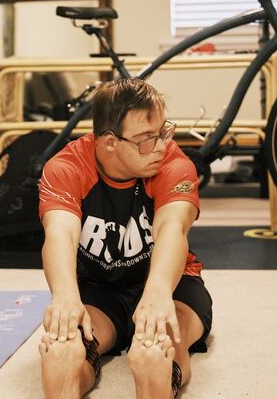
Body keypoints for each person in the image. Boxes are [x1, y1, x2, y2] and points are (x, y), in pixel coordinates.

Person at [37, 78, 212, 398]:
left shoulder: (174, 164)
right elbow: (59, 231)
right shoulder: (65, 167)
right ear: (108, 143)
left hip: (172, 285)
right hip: (100, 289)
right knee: (64, 349)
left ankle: (160, 379)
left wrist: (158, 294)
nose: (161, 145)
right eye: (146, 139)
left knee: (157, 348)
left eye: (163, 131)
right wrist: (64, 296)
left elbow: (172, 229)